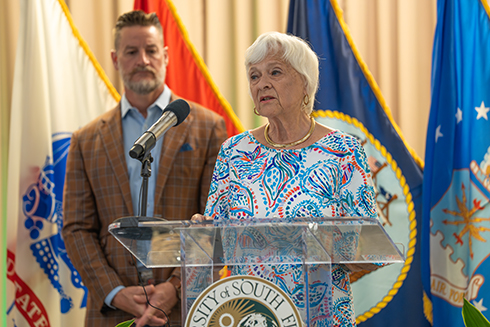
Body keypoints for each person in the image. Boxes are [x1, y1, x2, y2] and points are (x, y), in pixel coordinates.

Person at [196, 32, 378, 326]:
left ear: (305, 82)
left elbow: (369, 250)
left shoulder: (342, 151)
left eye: (275, 72)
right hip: (251, 314)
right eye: (254, 76)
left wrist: (320, 241)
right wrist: (201, 234)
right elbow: (214, 249)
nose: (261, 84)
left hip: (320, 316)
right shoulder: (234, 152)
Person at [62, 10, 228, 327]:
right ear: (115, 59)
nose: (142, 59)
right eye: (131, 51)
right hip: (111, 312)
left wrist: (174, 288)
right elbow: (76, 228)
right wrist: (115, 291)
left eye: (151, 50)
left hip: (185, 310)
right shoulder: (86, 140)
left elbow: (215, 223)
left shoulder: (208, 127)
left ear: (165, 55)